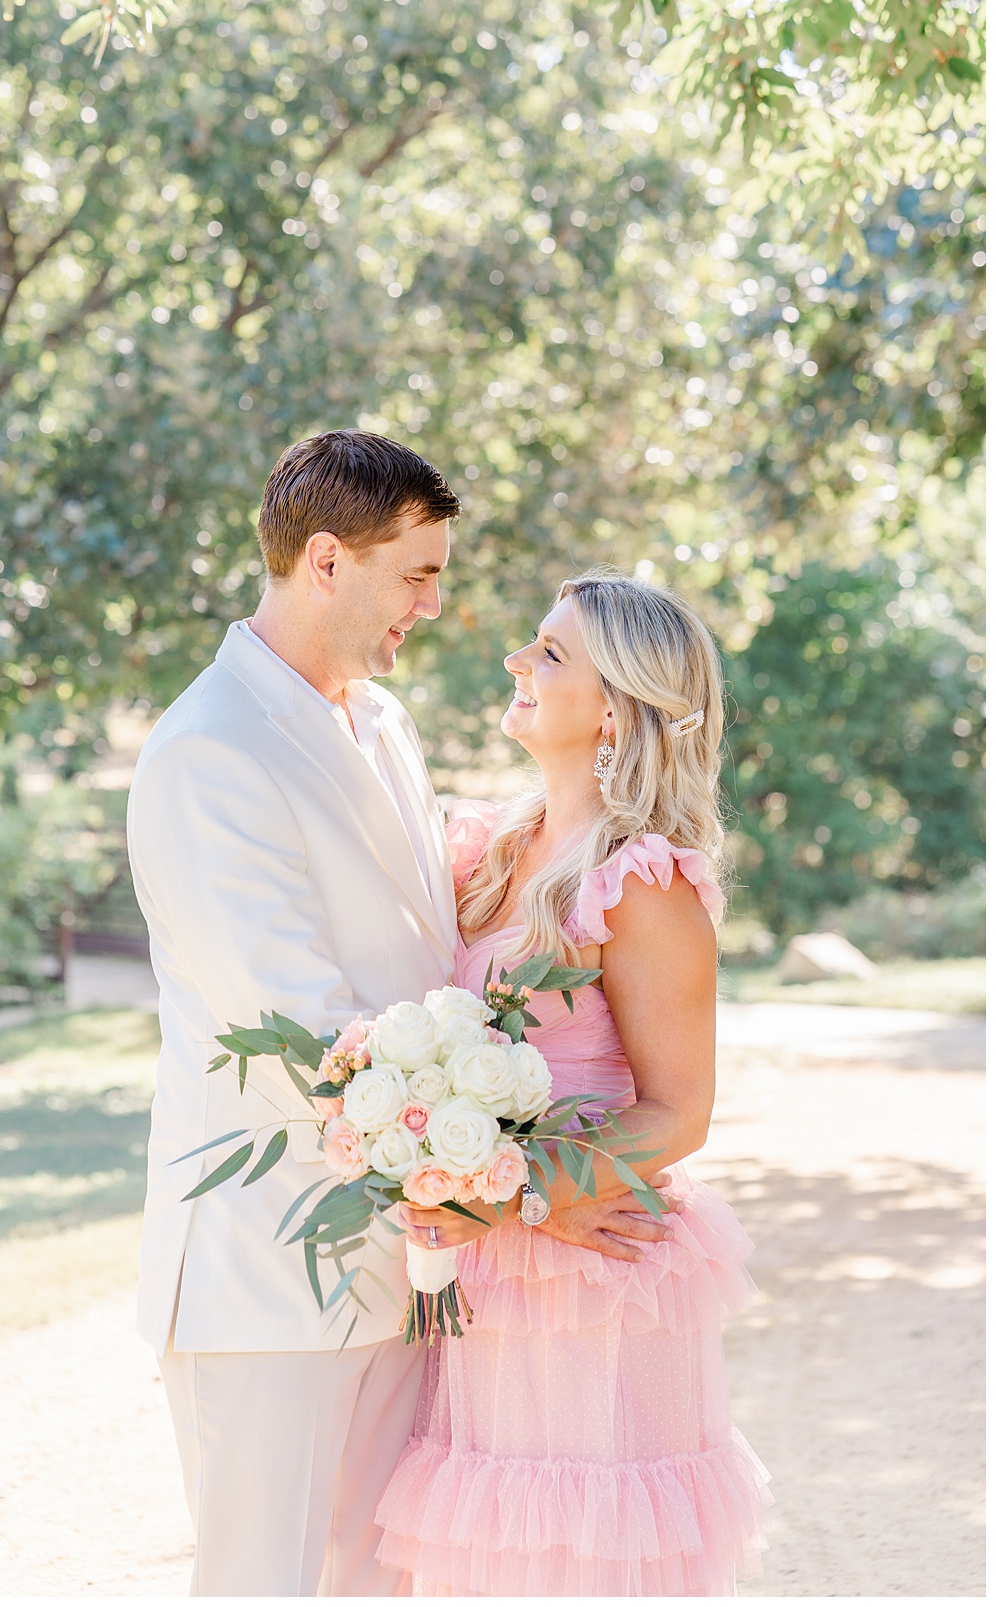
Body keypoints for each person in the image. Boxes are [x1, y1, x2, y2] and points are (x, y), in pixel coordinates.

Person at [375, 572, 773, 1596]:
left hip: (596, 1274)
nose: (517, 658)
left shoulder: (642, 880)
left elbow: (679, 1108)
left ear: (613, 708)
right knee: (498, 1558)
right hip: (493, 1271)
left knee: (589, 1560)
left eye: (549, 652)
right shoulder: (491, 849)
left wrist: (513, 1193)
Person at [127, 430, 465, 1596]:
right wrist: (459, 1163)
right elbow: (296, 1025)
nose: (431, 604)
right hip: (266, 1262)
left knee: (383, 1580)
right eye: (417, 573)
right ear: (327, 561)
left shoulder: (384, 722)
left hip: (400, 1260)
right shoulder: (206, 750)